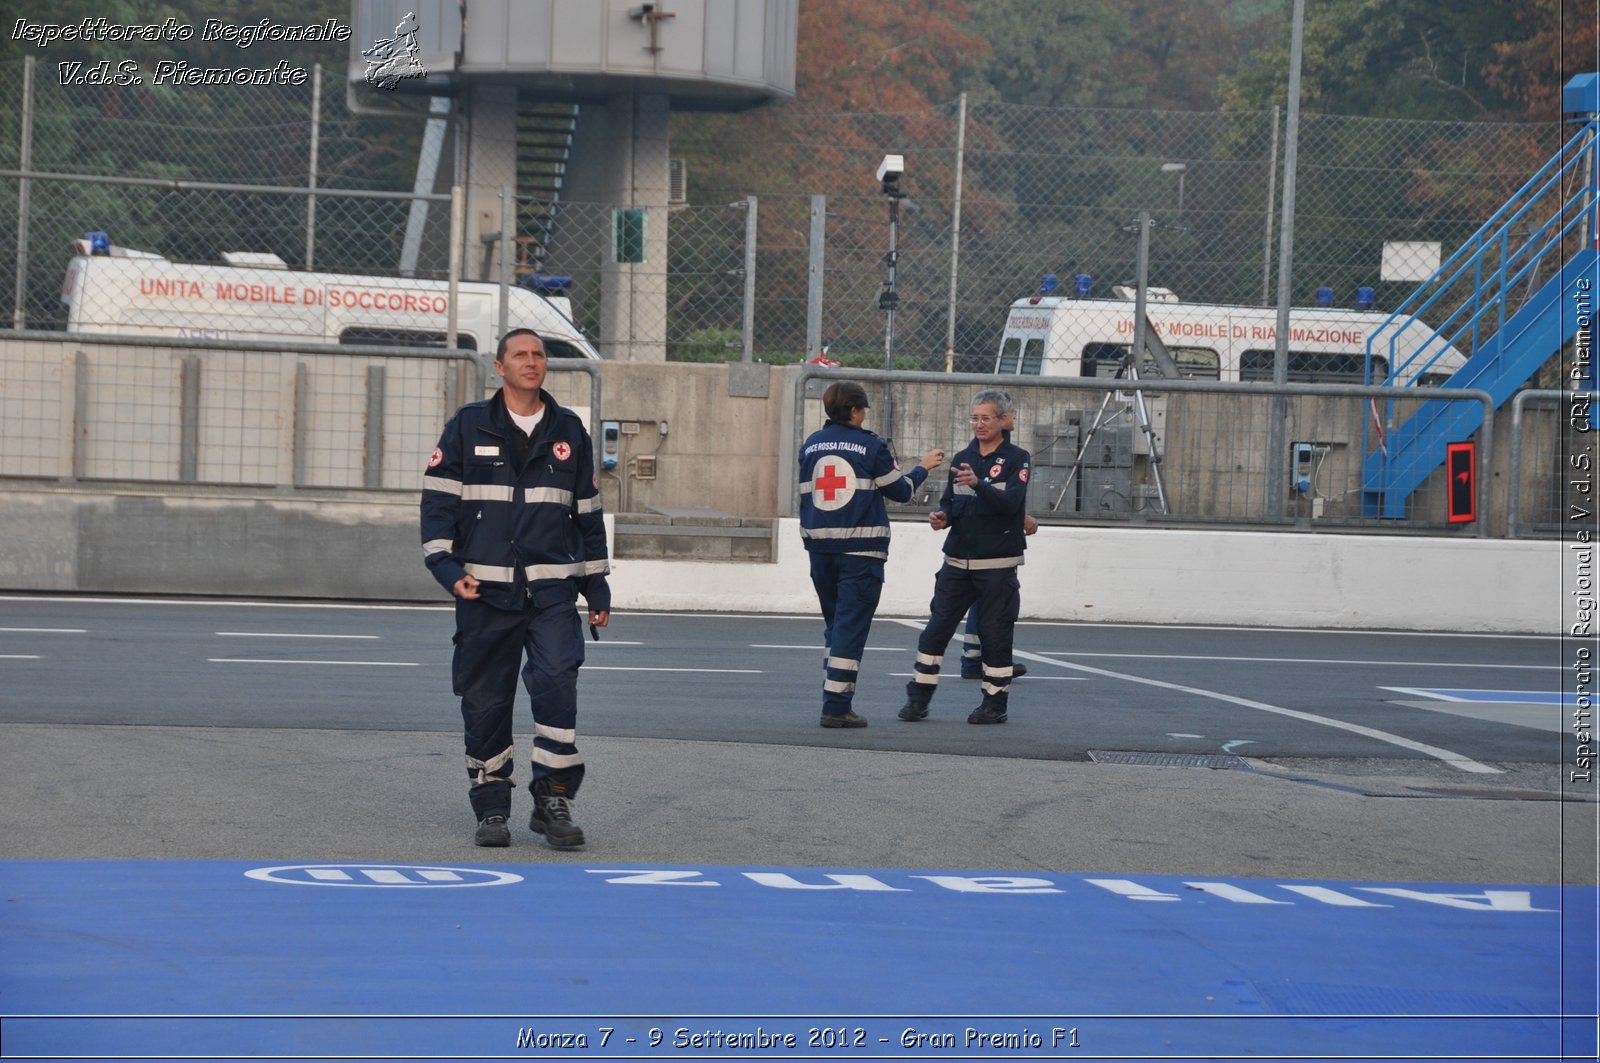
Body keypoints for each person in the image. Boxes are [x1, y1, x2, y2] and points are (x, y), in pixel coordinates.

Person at [420, 328, 611, 848]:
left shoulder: (569, 429)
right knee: (486, 701)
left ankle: (553, 801)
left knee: (557, 684)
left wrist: (597, 587)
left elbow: (588, 516)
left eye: (538, 354)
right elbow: (437, 504)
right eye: (520, 354)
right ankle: (491, 808)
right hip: (483, 594)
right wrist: (445, 567)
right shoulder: (466, 426)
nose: (532, 361)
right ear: (499, 367)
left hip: (551, 595)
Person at [799, 381, 943, 728]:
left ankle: (832, 693)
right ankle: (835, 706)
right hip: (860, 553)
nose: (864, 416)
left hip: (819, 550)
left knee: (835, 627)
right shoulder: (870, 445)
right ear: (854, 412)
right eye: (863, 410)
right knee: (850, 628)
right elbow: (901, 489)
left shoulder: (810, 445)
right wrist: (923, 467)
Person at [900, 389, 1031, 725]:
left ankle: (995, 704)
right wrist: (942, 517)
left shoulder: (1018, 459)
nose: (979, 424)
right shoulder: (962, 458)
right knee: (935, 630)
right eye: (975, 417)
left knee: (994, 634)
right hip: (957, 563)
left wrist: (979, 485)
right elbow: (950, 503)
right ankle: (918, 698)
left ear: (1003, 420)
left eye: (986, 418)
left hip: (997, 566)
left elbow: (1011, 506)